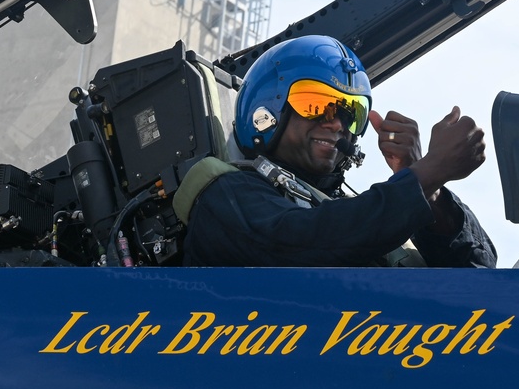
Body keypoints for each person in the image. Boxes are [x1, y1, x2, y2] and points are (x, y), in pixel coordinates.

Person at [178, 34, 496, 268]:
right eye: (317, 104)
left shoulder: (362, 215)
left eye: (350, 112)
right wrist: (428, 172)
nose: (337, 125)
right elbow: (307, 244)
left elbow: (478, 275)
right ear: (267, 108)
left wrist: (431, 192)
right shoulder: (227, 196)